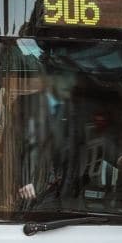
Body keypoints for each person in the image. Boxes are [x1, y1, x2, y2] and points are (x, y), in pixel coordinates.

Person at [11, 67, 81, 210]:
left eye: (70, 89)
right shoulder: (25, 103)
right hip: (29, 190)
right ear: (53, 80)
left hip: (59, 194)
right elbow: (13, 145)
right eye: (66, 87)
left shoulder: (71, 110)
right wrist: (24, 180)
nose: (68, 94)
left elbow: (80, 145)